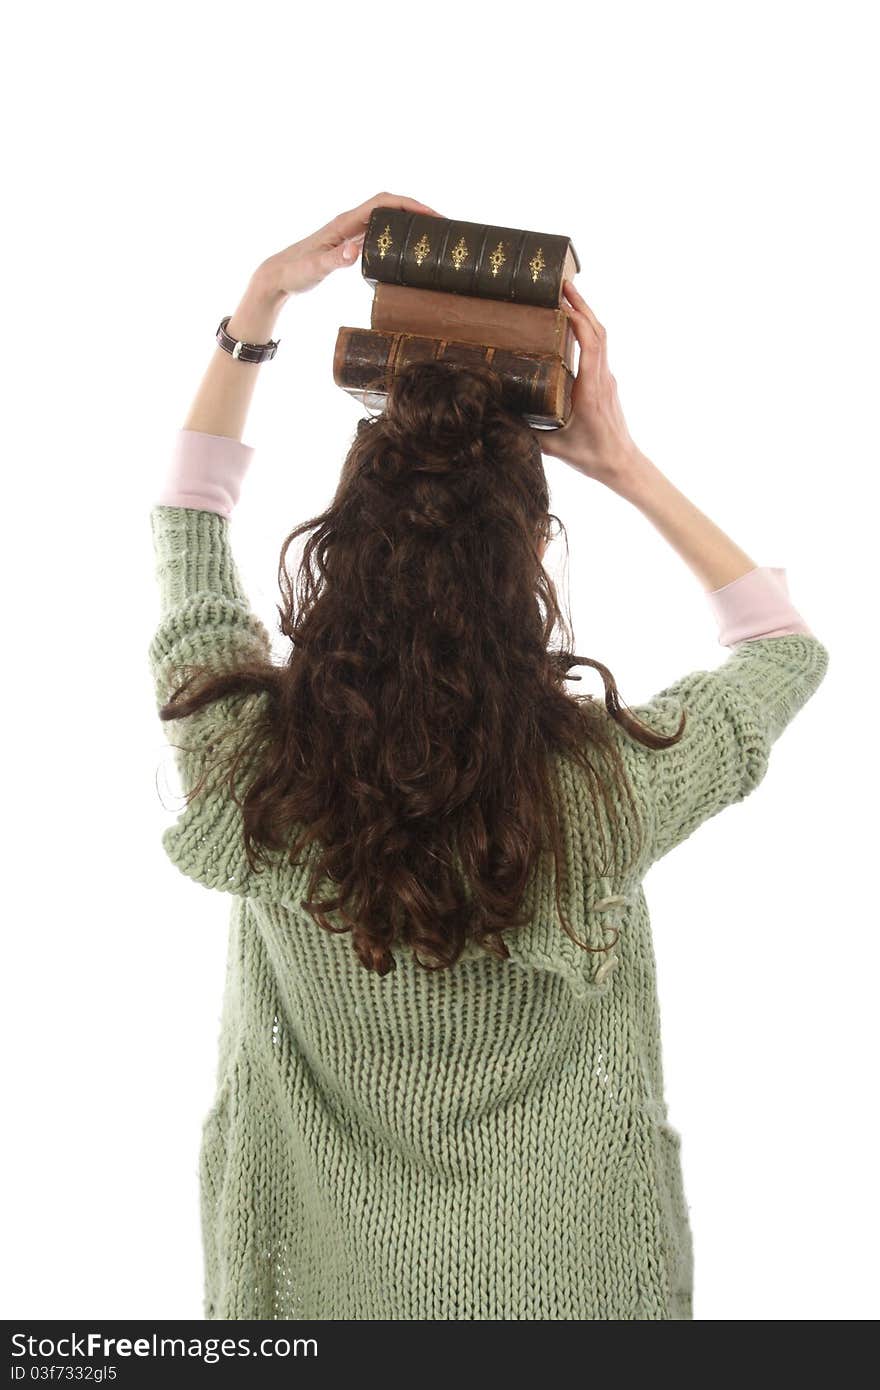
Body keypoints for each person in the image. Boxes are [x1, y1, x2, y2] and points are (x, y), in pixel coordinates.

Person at [147, 192, 829, 1321]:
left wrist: (260, 302)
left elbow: (187, 517)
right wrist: (623, 463)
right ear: (526, 567)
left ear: (343, 546)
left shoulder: (254, 765)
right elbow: (779, 650)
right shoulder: (599, 790)